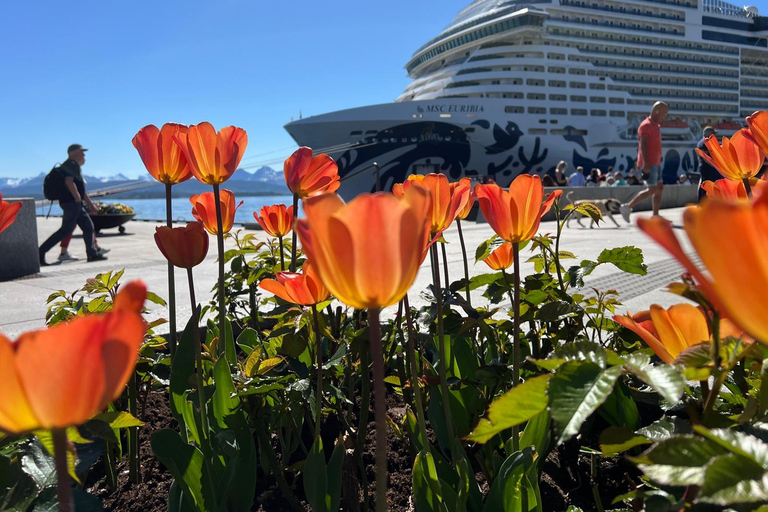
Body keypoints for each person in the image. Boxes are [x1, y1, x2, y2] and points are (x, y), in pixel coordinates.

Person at [39, 144, 107, 265]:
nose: (83, 154)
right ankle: (40, 252)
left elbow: (81, 190)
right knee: (66, 230)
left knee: (88, 227)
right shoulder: (71, 164)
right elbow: (69, 182)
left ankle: (92, 254)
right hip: (72, 203)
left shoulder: (72, 165)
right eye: (81, 151)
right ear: (73, 152)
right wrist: (76, 198)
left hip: (74, 203)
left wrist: (90, 205)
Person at [620, 101, 670, 221]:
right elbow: (643, 146)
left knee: (659, 188)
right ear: (656, 112)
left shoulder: (656, 125)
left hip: (656, 162)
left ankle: (655, 215)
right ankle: (627, 207)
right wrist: (646, 164)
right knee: (652, 189)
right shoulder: (645, 126)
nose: (665, 117)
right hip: (650, 163)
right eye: (663, 114)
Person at [696, 126, 720, 202]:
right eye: (712, 133)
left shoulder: (700, 142)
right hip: (707, 168)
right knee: (706, 185)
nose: (714, 136)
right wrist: (715, 165)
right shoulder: (704, 143)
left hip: (704, 167)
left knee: (703, 184)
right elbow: (705, 157)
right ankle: (704, 203)